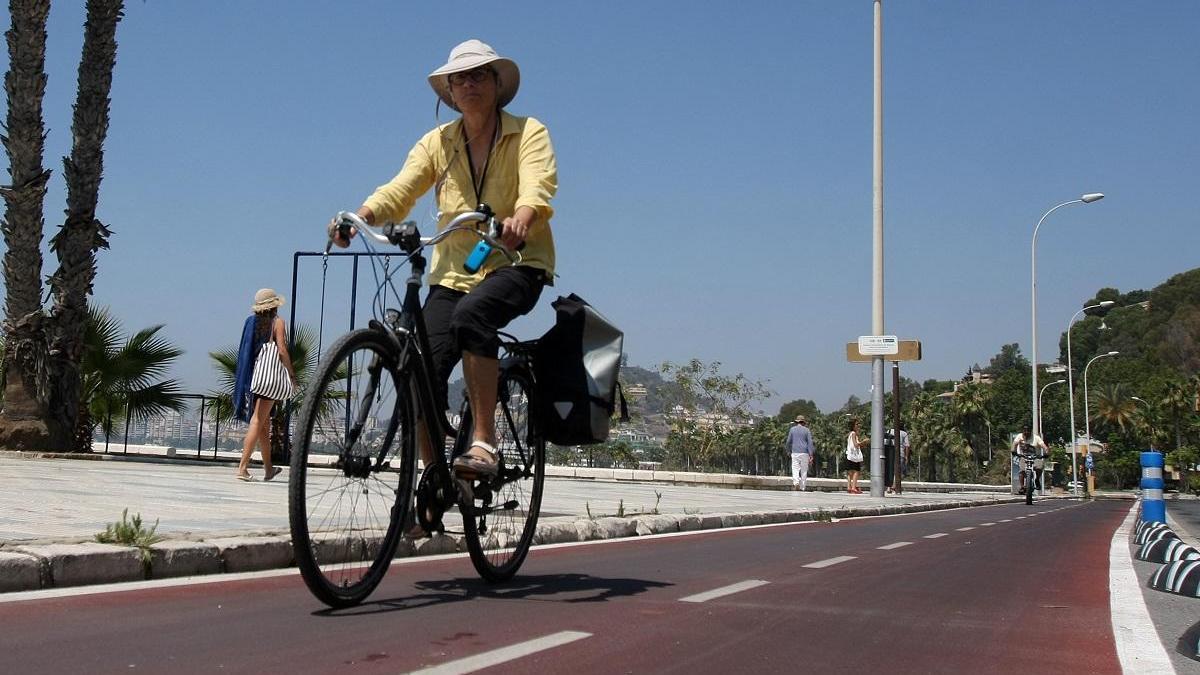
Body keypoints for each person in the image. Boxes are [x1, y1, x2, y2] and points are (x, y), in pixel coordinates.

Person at [330, 39, 556, 484]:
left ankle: (484, 442)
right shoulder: (438, 143)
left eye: (477, 75)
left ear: (496, 83)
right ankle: (433, 479)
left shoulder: (528, 132)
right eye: (459, 78)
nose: (468, 84)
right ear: (449, 91)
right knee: (418, 369)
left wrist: (521, 218)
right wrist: (363, 217)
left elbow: (539, 185)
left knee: (474, 317)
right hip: (454, 272)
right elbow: (403, 187)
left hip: (517, 262)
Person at [233, 288, 297, 482]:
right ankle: (242, 468)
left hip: (252, 377)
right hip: (268, 379)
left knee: (263, 424)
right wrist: (291, 375)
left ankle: (268, 469)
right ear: (274, 305)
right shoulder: (277, 322)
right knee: (257, 421)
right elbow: (282, 349)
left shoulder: (250, 322)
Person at [1011, 424, 1047, 495]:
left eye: (1028, 431)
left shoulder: (1036, 438)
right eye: (1025, 431)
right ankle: (1022, 487)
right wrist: (1013, 451)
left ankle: (1037, 480)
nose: (1026, 432)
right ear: (1022, 431)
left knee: (1039, 467)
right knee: (1022, 470)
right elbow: (1014, 444)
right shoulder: (1019, 436)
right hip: (1024, 457)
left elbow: (1044, 446)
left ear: (1031, 431)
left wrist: (1046, 452)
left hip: (1036, 457)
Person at [785, 415, 814, 491]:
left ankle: (796, 483)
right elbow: (810, 443)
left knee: (795, 468)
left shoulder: (792, 429)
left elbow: (788, 441)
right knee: (804, 470)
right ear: (803, 422)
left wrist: (788, 450)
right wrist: (811, 454)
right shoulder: (807, 430)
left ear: (796, 422)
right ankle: (803, 487)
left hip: (795, 452)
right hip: (805, 453)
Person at [845, 419, 868, 494]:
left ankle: (849, 487)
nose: (858, 426)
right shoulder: (854, 434)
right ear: (853, 426)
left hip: (850, 455)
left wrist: (861, 444)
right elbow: (855, 445)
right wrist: (864, 442)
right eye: (856, 424)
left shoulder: (850, 434)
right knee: (856, 471)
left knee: (849, 472)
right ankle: (854, 487)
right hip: (854, 456)